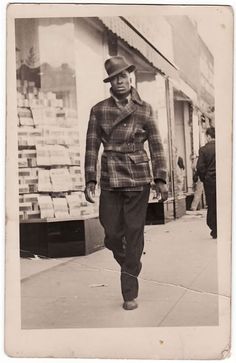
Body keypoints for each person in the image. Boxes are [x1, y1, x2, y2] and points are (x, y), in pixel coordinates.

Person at [84, 56, 168, 310]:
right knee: (111, 234)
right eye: (114, 78)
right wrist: (90, 178)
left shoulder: (145, 108)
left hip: (138, 177)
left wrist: (161, 178)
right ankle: (132, 264)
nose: (119, 81)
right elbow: (91, 146)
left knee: (133, 233)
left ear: (129, 77)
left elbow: (156, 144)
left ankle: (128, 291)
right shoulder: (99, 109)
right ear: (109, 82)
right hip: (110, 176)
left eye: (123, 76)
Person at [196, 127, 217, 238]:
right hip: (222, 180)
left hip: (210, 182)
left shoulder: (203, 150)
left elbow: (200, 167)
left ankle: (215, 229)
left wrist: (204, 178)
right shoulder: (223, 147)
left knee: (212, 204)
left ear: (208, 136)